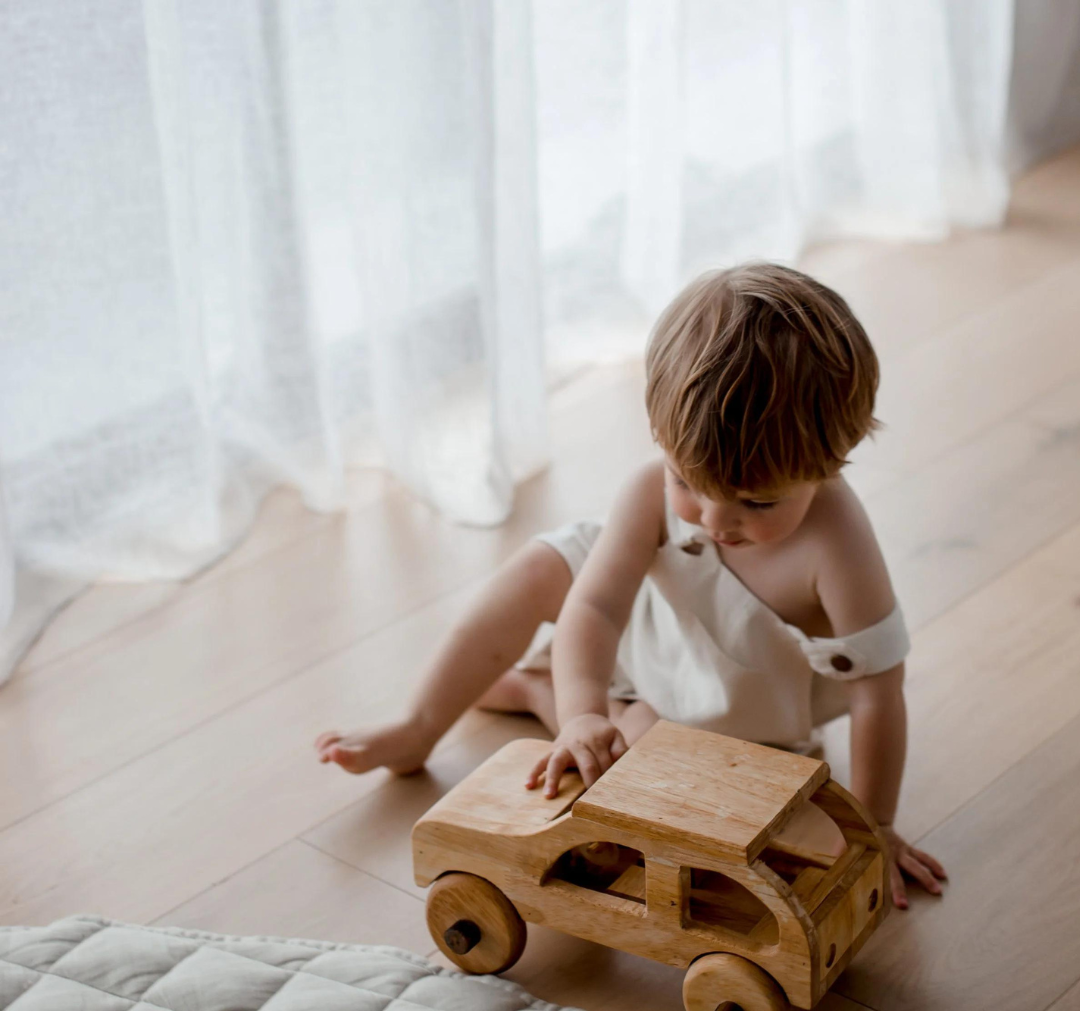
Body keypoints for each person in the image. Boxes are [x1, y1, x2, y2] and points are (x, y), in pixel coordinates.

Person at [316, 263, 946, 909]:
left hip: (729, 688)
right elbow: (593, 604)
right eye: (686, 483)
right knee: (542, 568)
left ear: (832, 459)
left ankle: (545, 690)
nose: (714, 519)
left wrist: (876, 832)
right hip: (650, 619)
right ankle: (421, 724)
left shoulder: (837, 543)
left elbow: (878, 693)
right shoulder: (652, 489)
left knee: (643, 763)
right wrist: (584, 714)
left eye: (756, 504)